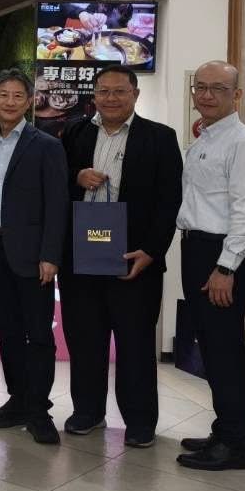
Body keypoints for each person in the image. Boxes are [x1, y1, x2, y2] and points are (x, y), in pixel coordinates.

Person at [59, 67, 182, 447]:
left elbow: (170, 199)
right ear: (93, 95)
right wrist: (76, 177)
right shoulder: (75, 132)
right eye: (103, 91)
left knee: (136, 344)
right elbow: (54, 181)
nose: (111, 98)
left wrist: (153, 250)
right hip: (81, 256)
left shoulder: (160, 137)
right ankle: (87, 411)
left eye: (119, 91)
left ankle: (140, 422)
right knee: (84, 339)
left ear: (135, 94)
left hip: (134, 257)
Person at [175, 61, 245, 472]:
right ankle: (235, 431)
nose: (207, 95)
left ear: (237, 95)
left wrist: (226, 268)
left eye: (219, 88)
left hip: (220, 255)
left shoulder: (243, 143)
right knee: (213, 347)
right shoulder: (206, 137)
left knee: (223, 349)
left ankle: (233, 444)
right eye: (201, 87)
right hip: (197, 249)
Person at [0, 69, 69, 445]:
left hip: (33, 256)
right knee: (7, 332)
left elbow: (57, 205)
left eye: (17, 96)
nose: (10, 102)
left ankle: (39, 410)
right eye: (3, 95)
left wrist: (50, 254)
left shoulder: (46, 145)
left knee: (38, 335)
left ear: (29, 102)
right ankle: (17, 401)